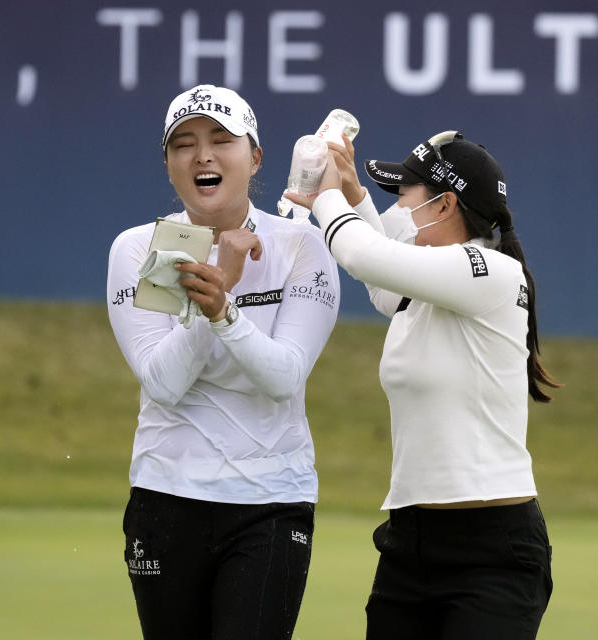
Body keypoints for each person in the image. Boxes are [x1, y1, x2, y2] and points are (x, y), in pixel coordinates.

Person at [286, 130, 559, 639]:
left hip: (492, 550)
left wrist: (324, 196)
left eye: (404, 196)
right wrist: (354, 197)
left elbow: (367, 257)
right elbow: (385, 283)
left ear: (445, 203)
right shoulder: (429, 291)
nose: (400, 209)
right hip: (409, 545)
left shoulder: (489, 272)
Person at [106, 84, 340, 640]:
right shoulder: (143, 249)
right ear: (168, 166)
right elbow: (163, 382)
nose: (202, 155)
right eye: (183, 144)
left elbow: (283, 376)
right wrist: (212, 299)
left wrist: (223, 312)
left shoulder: (300, 247)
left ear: (254, 157)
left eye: (221, 140)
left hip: (271, 502)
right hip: (165, 498)